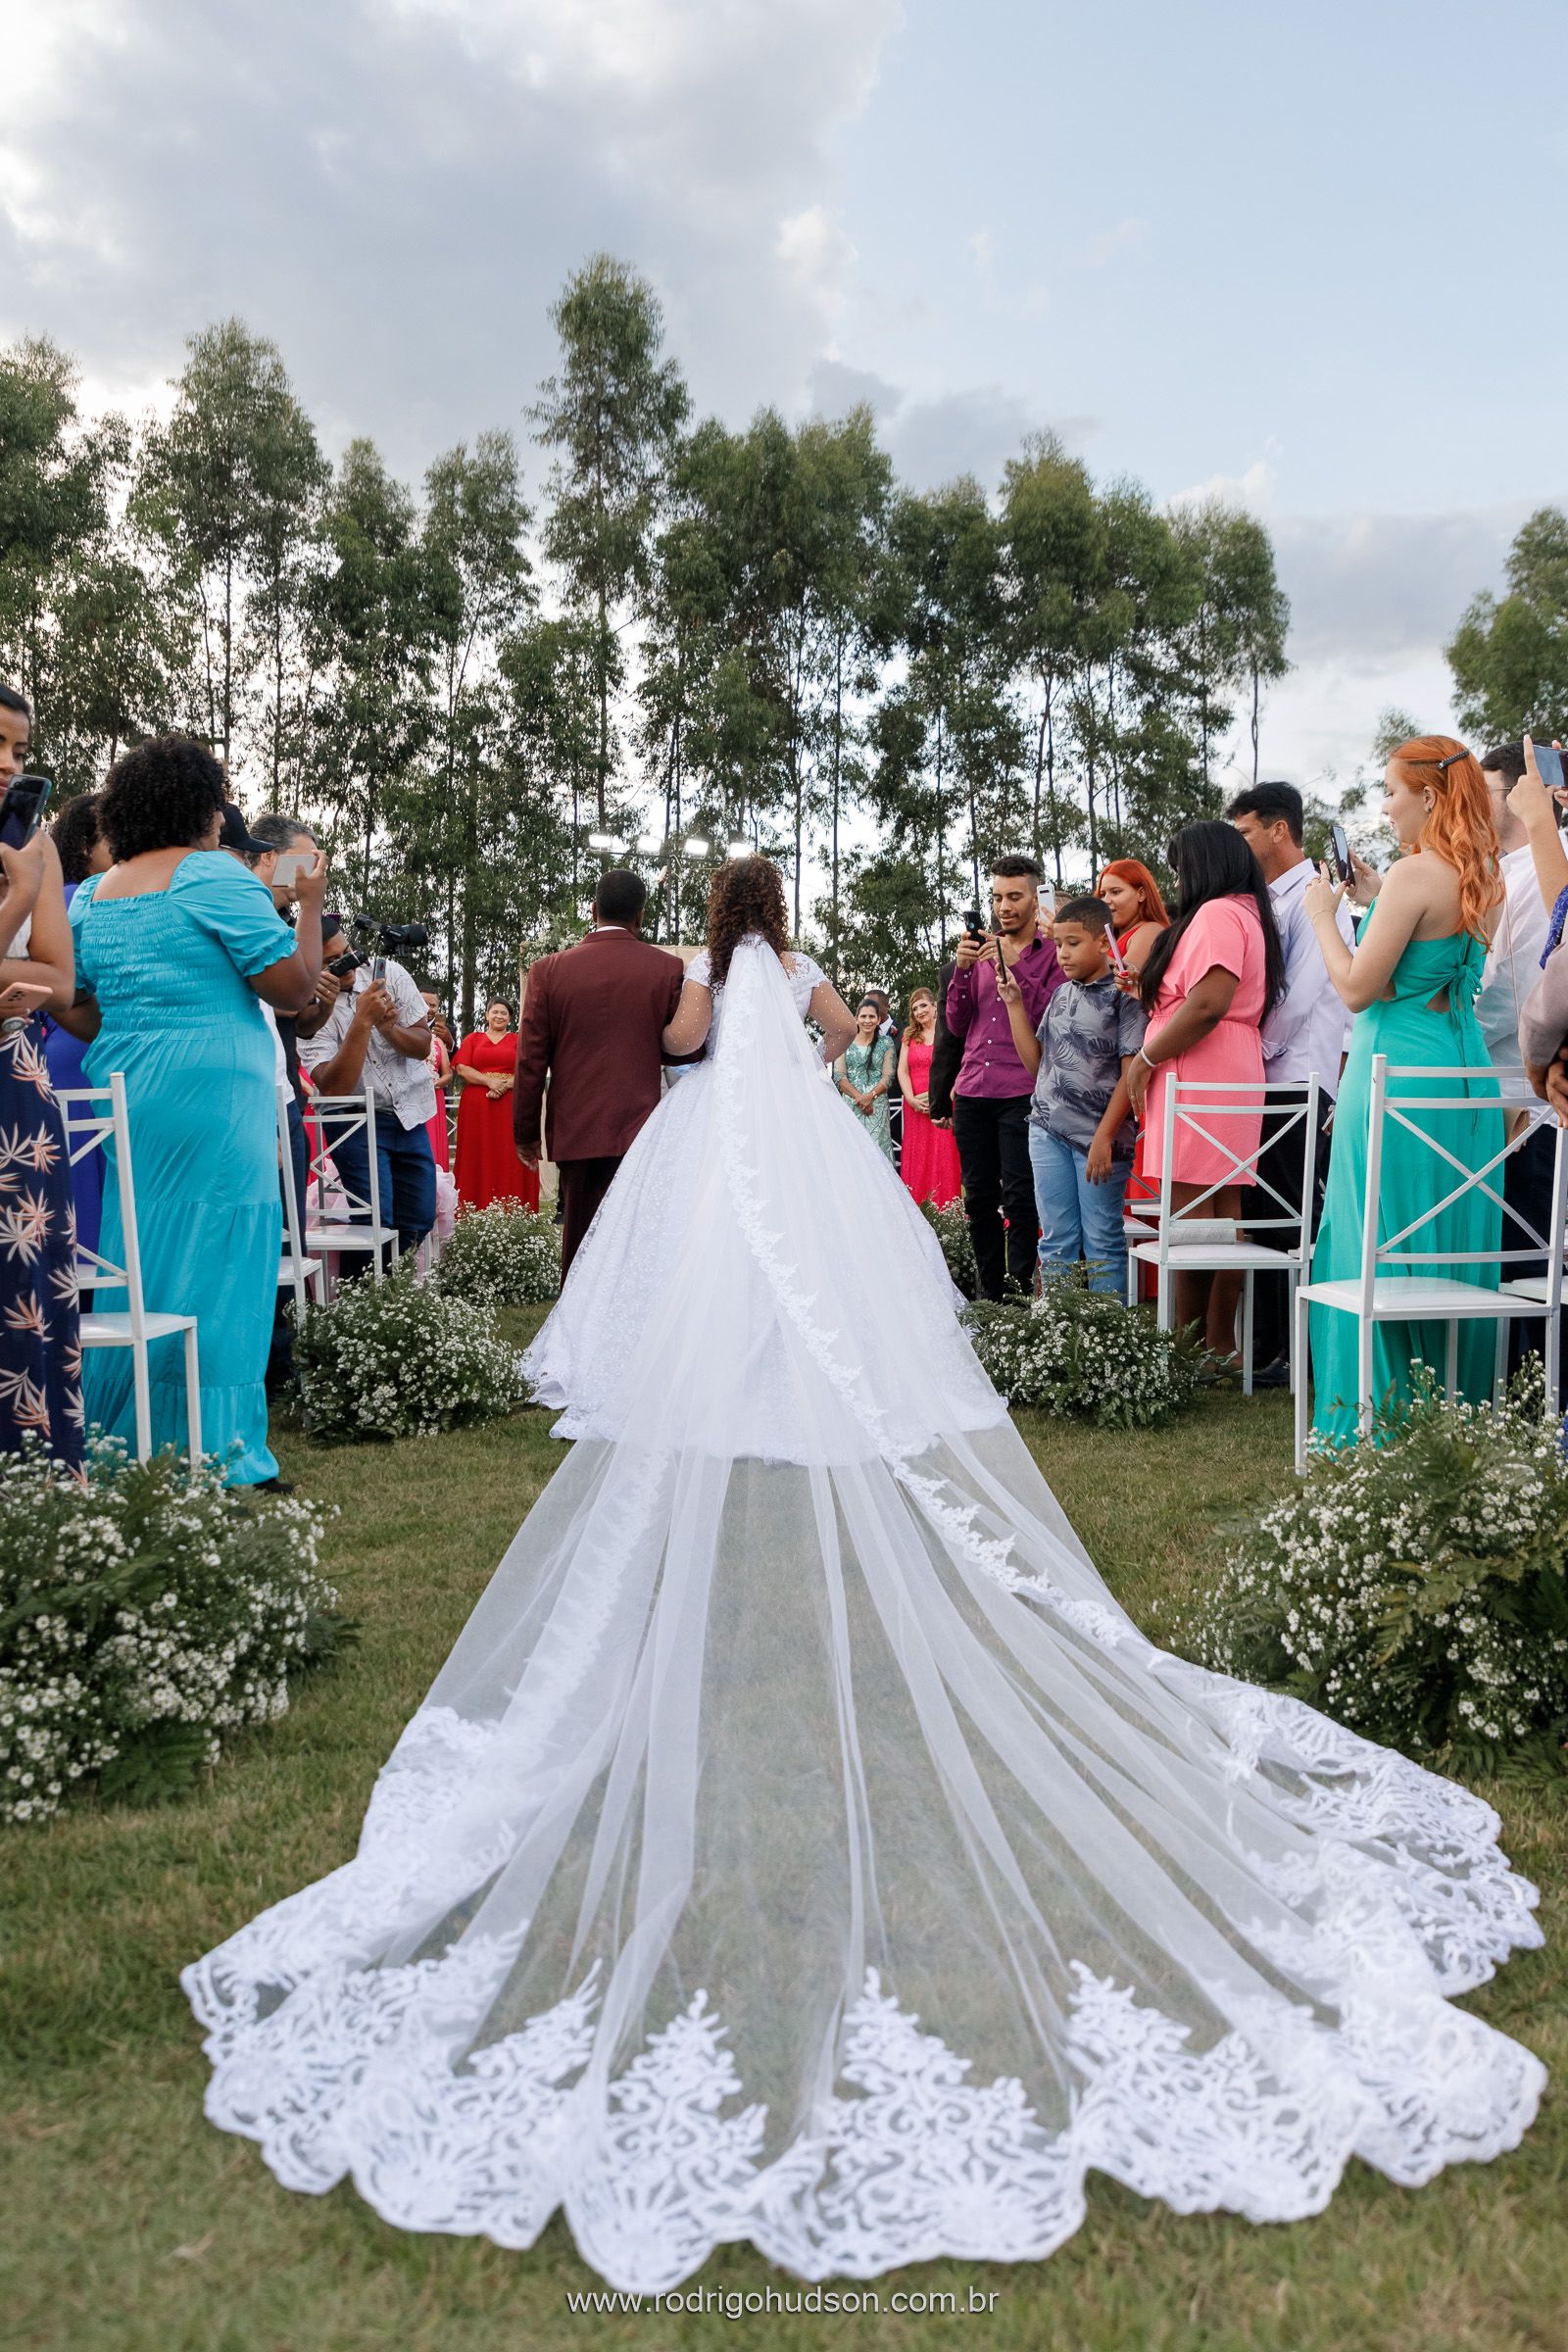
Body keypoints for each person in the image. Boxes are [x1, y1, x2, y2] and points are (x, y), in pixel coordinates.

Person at [183, 853, 1544, 2297]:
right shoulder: (801, 970)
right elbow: (835, 1035)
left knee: (729, 1282)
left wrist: (716, 1028)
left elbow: (693, 1049)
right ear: (784, 915)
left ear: (720, 918)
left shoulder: (713, 979)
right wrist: (817, 1044)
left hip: (721, 1153)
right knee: (826, 1276)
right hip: (806, 1153)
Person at [62, 735, 324, 1485]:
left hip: (133, 1096)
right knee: (224, 1262)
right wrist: (309, 907)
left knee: (138, 1258)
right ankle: (221, 1450)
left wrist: (139, 1028)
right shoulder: (211, 875)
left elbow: (79, 1009)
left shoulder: (99, 892)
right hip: (215, 1100)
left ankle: (127, 1435)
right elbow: (296, 989)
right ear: (202, 810)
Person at [1303, 736, 1505, 1445]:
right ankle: (1453, 1419)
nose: (1384, 807)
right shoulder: (1480, 870)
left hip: (1392, 1072)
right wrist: (1372, 899)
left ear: (1427, 795)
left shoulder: (1417, 873)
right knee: (1447, 1244)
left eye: (1390, 791)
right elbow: (1411, 974)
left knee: (1376, 1242)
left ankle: (1379, 1426)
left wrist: (1326, 918)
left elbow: (1362, 989)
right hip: (1462, 1077)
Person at [1127, 822, 1285, 1355]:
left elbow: (1209, 1001)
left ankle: (1187, 1345)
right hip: (1229, 1065)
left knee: (1193, 1218)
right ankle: (1217, 1343)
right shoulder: (1246, 912)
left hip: (1200, 1069)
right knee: (1224, 1212)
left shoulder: (1217, 913)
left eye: (1179, 868)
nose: (1177, 879)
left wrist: (1147, 1057)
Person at [1226, 781, 1355, 1386]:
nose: (1239, 844)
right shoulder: (1265, 900)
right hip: (1268, 1078)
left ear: (1279, 830)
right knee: (1263, 1212)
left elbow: (1301, 994)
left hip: (1300, 1074)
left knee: (1292, 1216)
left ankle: (1294, 1351)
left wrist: (1252, 1045)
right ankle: (1268, 1344)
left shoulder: (1314, 895)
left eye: (1246, 831)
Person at [513, 867, 686, 1276]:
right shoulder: (666, 970)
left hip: (578, 1128)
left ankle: (576, 1332)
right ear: (640, 916)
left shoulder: (548, 971)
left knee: (581, 1247)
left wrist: (525, 1133)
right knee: (636, 1243)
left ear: (593, 910)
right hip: (642, 1127)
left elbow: (530, 1061)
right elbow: (680, 1054)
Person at [0, 684, 84, 1468]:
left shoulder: (38, 843)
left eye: (18, 752)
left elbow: (58, 982)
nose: (7, 766)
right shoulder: (29, 871)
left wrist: (30, 881)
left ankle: (32, 1484)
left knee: (24, 1287)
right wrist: (18, 900)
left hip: (14, 1087)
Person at [999, 895, 1146, 1297]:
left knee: (1102, 1244)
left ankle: (1107, 1341)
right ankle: (1059, 1337)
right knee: (1057, 1242)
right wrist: (1014, 1006)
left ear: (1103, 942)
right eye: (1058, 944)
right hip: (1046, 1131)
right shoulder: (1061, 995)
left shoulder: (1125, 997)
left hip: (1100, 1140)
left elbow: (1130, 1074)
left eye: (1073, 943)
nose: (1062, 954)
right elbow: (1038, 1067)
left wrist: (1104, 1137)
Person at [947, 854, 1063, 1298]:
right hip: (973, 1088)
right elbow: (957, 1024)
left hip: (1022, 1089)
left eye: (1014, 896)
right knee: (977, 1200)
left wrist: (1014, 964)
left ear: (1037, 899)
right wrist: (960, 972)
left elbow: (1049, 1016)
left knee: (1019, 1197)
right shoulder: (980, 952)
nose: (1003, 906)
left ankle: (1017, 1296)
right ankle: (988, 1294)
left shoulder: (1054, 953)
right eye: (997, 897)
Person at [298, 915, 439, 1267]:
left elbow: (423, 1046)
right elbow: (333, 1088)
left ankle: (385, 1291)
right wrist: (361, 1022)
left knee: (420, 1214)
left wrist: (389, 1028)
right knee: (376, 1219)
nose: (348, 966)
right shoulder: (308, 1006)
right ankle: (362, 1295)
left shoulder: (387, 973)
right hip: (353, 1122)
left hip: (406, 1113)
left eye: (348, 953)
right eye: (333, 962)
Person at [41, 791, 113, 1264]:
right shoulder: (80, 900)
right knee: (91, 1184)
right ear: (85, 846)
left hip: (65, 1050)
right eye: (112, 835)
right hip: (86, 1051)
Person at [455, 998, 538, 1209]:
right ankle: (474, 1204)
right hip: (477, 1106)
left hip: (510, 1103)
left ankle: (513, 1204)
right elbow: (462, 1068)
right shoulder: (473, 1038)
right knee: (477, 1152)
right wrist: (489, 1081)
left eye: (504, 1013)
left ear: (510, 1018)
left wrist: (505, 1085)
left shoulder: (518, 1040)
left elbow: (529, 1069)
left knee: (508, 1153)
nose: (499, 1016)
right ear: (487, 1015)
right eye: (495, 1012)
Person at [897, 983, 961, 1207]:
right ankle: (918, 1208)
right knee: (918, 1158)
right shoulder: (909, 1036)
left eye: (923, 1005)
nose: (919, 1011)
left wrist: (947, 1097)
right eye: (915, 1009)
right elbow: (902, 1071)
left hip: (944, 1104)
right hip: (915, 1107)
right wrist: (911, 1098)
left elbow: (958, 1066)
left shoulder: (948, 1032)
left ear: (935, 1007)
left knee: (944, 1156)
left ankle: (947, 1210)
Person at [834, 998, 897, 1158]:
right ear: (856, 1018)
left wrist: (871, 1096)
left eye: (871, 1017)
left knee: (877, 1154)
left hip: (877, 1108)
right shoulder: (846, 1042)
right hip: (851, 1105)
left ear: (878, 1020)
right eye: (863, 1016)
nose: (867, 1020)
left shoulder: (886, 1042)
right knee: (852, 1153)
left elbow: (888, 1077)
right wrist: (861, 1099)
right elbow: (840, 1076)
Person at [1096, 858, 1169, 971]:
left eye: (1115, 892)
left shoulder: (1151, 930)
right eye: (1102, 894)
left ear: (1141, 894)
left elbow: (1126, 978)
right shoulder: (1109, 936)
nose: (1106, 900)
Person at [419, 991, 453, 1173]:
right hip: (411, 1097)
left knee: (433, 1141)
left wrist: (437, 1083)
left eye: (433, 1005)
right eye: (424, 1003)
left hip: (435, 1094)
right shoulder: (401, 1029)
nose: (428, 1009)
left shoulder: (442, 1035)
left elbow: (449, 1071)